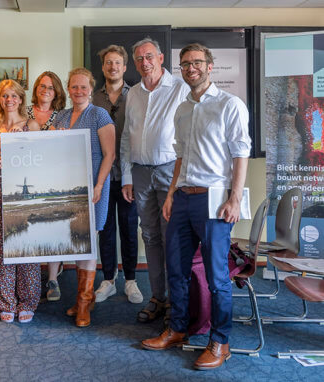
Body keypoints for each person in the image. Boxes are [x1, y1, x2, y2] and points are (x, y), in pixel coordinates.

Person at [141, 43, 251, 371]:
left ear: (210, 66)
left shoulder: (230, 105)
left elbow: (240, 153)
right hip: (183, 198)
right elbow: (179, 156)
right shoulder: (183, 108)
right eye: (185, 64)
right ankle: (176, 329)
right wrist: (172, 193)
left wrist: (234, 197)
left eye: (197, 63)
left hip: (214, 199)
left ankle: (220, 341)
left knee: (217, 277)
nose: (191, 68)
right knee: (176, 268)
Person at [120, 37, 189, 323]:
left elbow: (187, 136)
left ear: (161, 58)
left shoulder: (179, 88)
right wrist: (126, 176)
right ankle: (157, 297)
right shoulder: (133, 93)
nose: (144, 62)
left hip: (169, 171)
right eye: (139, 59)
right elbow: (126, 136)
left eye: (149, 56)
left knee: (170, 236)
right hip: (140, 173)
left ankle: (176, 302)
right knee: (149, 237)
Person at [53, 68, 115, 327]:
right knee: (75, 240)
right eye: (74, 87)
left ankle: (83, 303)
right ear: (68, 89)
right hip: (67, 189)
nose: (78, 91)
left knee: (88, 240)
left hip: (92, 188)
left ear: (91, 89)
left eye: (83, 87)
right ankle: (82, 298)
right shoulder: (61, 116)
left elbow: (109, 155)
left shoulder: (99, 115)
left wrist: (99, 185)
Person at [0, 79, 42, 324]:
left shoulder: (32, 126)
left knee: (26, 249)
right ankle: (7, 301)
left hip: (25, 195)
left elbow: (41, 159)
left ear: (21, 99)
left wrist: (23, 144)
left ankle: (27, 301)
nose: (9, 100)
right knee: (3, 250)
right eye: (4, 96)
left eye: (14, 96)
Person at [92, 44, 141, 304]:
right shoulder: (93, 98)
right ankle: (109, 279)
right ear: (103, 67)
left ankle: (131, 280)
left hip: (128, 175)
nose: (113, 67)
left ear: (124, 67)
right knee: (106, 228)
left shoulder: (136, 95)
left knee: (129, 228)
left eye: (117, 63)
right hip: (102, 176)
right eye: (108, 63)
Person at [27, 71, 67, 302]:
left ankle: (52, 278)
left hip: (54, 177)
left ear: (57, 92)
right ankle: (30, 276)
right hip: (28, 175)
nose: (45, 90)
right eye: (42, 86)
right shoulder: (25, 111)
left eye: (50, 87)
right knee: (30, 227)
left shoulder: (63, 116)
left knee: (54, 227)